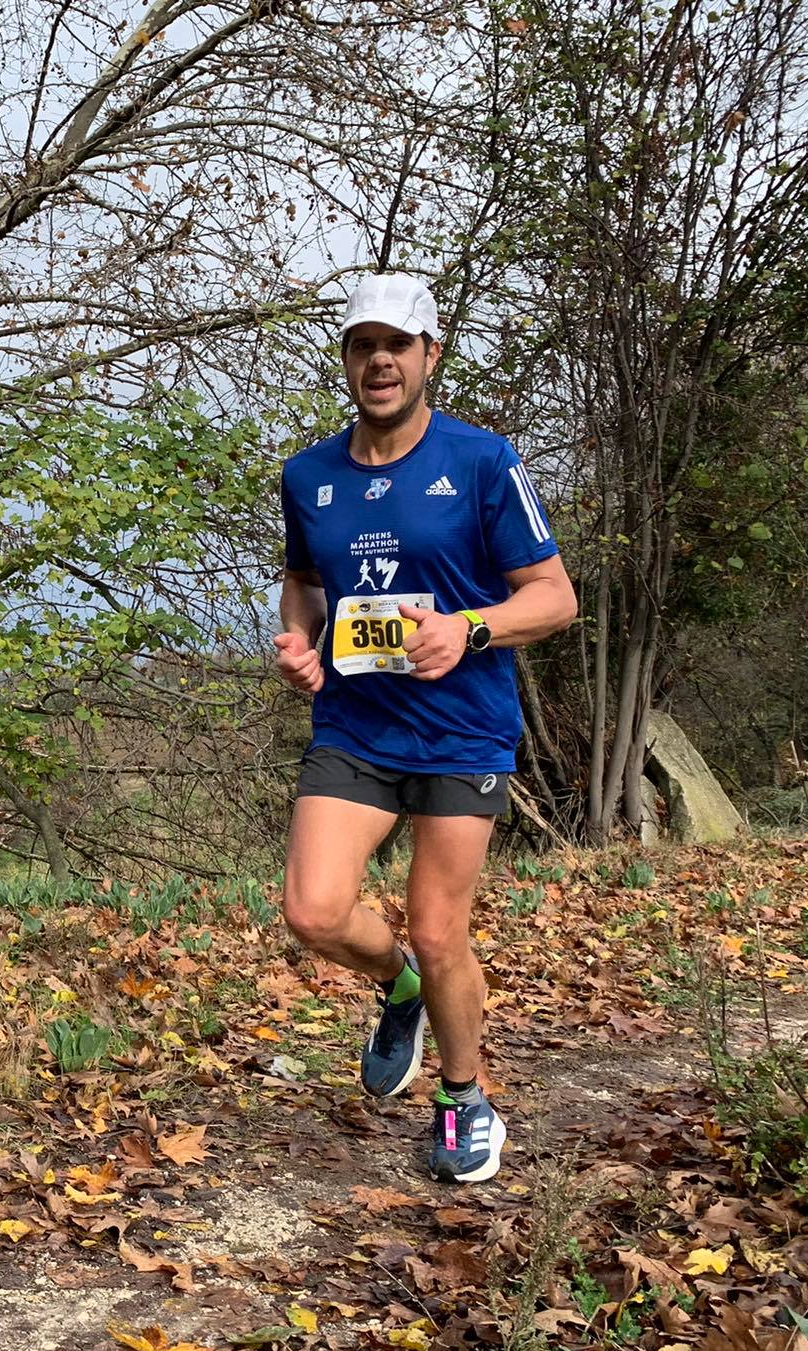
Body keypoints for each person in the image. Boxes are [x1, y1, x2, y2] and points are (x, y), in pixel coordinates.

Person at [273, 272, 577, 1183]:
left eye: (397, 345)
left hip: (460, 730)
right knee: (313, 911)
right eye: (363, 345)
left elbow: (554, 598)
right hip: (355, 725)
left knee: (442, 932)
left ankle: (464, 1096)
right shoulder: (308, 475)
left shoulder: (482, 461)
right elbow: (305, 584)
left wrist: (468, 628)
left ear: (430, 356)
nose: (380, 362)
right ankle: (395, 985)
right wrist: (299, 642)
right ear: (346, 359)